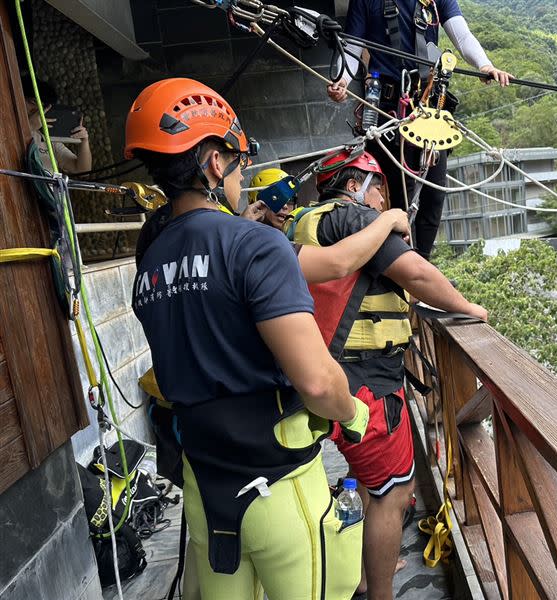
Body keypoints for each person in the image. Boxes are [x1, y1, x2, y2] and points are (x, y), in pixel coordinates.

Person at [126, 77, 370, 600]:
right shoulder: (255, 245)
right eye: (238, 161)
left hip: (203, 489)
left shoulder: (149, 261)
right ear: (215, 162)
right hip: (277, 488)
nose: (242, 174)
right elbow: (317, 382)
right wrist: (352, 413)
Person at [284, 149, 487, 600]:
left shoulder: (301, 222)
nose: (383, 202)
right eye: (381, 190)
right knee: (392, 493)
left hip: (312, 376)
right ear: (359, 184)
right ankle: (378, 593)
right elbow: (416, 272)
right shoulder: (356, 220)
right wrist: (470, 308)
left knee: (365, 486)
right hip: (367, 388)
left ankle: (361, 571)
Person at [327, 0, 512, 260]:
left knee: (434, 195)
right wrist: (342, 79)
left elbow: (461, 34)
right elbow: (352, 47)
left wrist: (484, 65)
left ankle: (421, 262)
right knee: (397, 199)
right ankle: (399, 266)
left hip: (429, 106)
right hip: (389, 110)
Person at [22, 73, 92, 174]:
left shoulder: (48, 137)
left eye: (42, 107)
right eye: (33, 102)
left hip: (45, 190)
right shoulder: (6, 123)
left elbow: (83, 170)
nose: (36, 110)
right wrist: (30, 127)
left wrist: (84, 142)